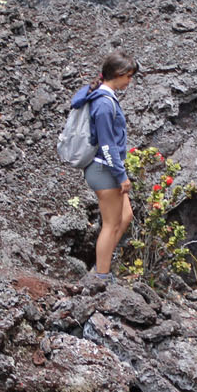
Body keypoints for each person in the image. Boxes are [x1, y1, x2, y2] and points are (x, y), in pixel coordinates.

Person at [70, 52, 139, 277]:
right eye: (128, 76)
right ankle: (101, 276)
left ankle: (102, 263)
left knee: (125, 216)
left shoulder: (106, 99)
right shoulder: (103, 104)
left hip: (106, 167)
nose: (130, 81)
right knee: (110, 224)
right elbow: (107, 146)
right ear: (117, 75)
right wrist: (121, 176)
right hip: (103, 169)